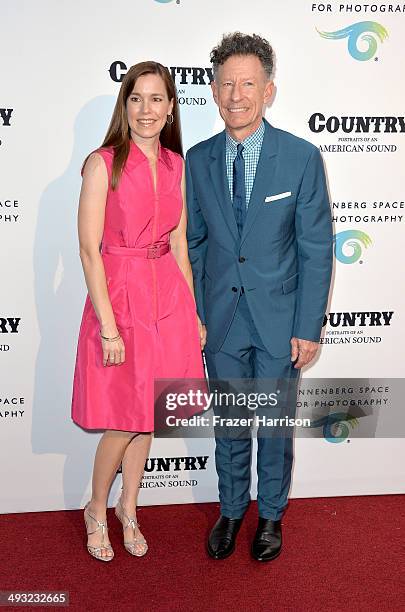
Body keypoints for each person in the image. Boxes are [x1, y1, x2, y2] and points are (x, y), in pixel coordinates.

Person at [186, 33, 333, 562]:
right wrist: (196, 315)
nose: (236, 95)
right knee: (228, 424)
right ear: (212, 89)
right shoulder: (197, 160)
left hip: (278, 320)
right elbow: (195, 244)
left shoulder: (300, 157)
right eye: (226, 84)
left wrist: (309, 326)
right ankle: (230, 509)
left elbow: (315, 248)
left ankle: (270, 515)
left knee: (273, 429)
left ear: (269, 90)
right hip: (221, 323)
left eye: (248, 83)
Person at [71, 61, 205, 562]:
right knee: (123, 419)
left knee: (149, 415)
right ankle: (96, 509)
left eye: (156, 99)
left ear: (171, 107)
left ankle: (130, 508)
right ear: (124, 105)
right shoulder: (101, 163)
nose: (146, 110)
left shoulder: (177, 165)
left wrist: (191, 314)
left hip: (167, 299)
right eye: (136, 98)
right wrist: (108, 325)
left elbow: (178, 246)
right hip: (120, 298)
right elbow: (89, 250)